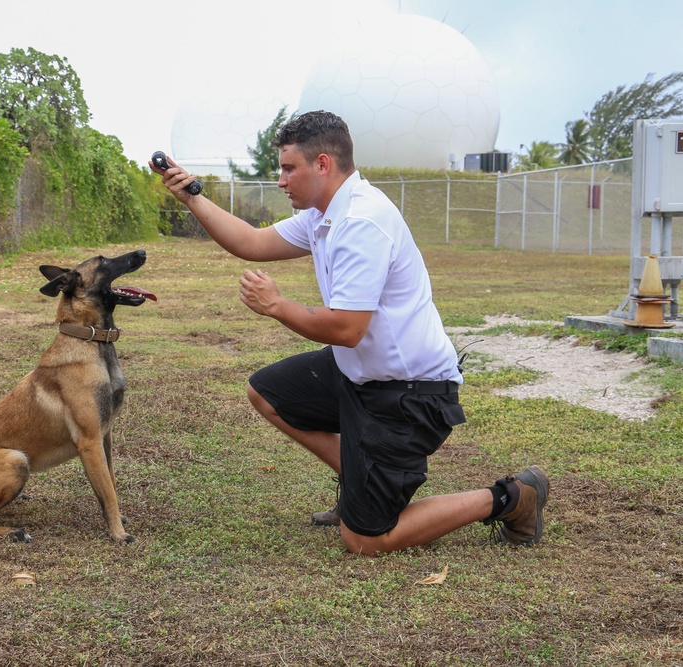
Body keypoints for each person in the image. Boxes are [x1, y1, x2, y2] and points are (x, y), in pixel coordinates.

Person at [151, 110, 549, 556]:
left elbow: (347, 328)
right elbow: (252, 242)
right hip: (361, 377)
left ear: (323, 164)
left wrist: (278, 306)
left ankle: (513, 497)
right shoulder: (323, 213)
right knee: (267, 392)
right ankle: (361, 481)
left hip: (411, 395)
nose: (281, 181)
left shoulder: (361, 220)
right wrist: (191, 198)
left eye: (288, 169)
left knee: (365, 538)